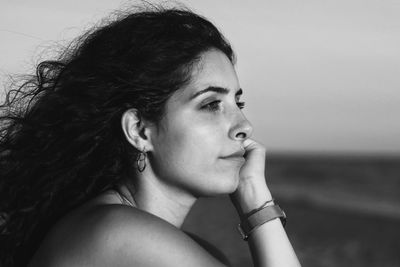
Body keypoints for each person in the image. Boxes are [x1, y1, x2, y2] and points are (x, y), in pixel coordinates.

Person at [0, 4, 301, 267]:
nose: (244, 125)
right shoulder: (119, 233)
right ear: (139, 130)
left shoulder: (166, 243)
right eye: (211, 105)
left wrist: (252, 191)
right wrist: (257, 205)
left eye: (239, 103)